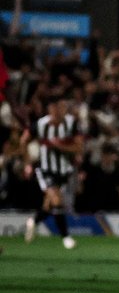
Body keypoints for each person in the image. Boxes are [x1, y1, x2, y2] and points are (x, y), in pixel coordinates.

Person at [25, 97, 82, 248]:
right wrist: (28, 163)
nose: (58, 111)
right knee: (57, 201)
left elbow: (79, 148)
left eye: (62, 108)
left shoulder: (72, 123)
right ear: (49, 110)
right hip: (45, 169)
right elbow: (24, 140)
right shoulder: (40, 124)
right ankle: (66, 238)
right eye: (55, 108)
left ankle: (34, 221)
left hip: (64, 170)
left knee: (49, 206)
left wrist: (60, 146)